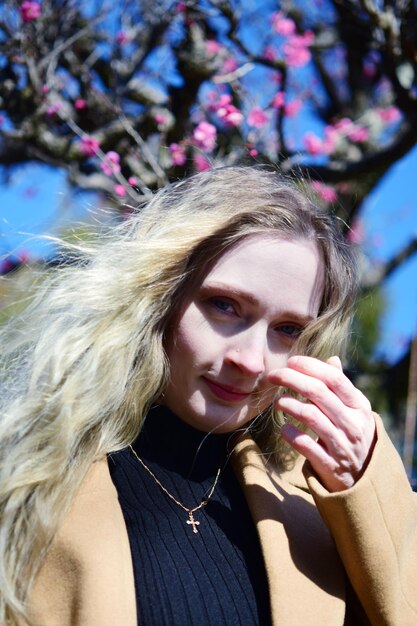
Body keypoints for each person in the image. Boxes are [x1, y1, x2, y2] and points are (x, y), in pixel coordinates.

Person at [0, 166, 416, 626]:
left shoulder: (320, 506)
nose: (252, 360)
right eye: (225, 306)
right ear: (158, 296)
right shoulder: (33, 474)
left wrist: (368, 491)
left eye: (287, 330)